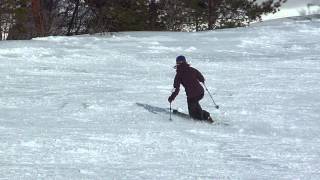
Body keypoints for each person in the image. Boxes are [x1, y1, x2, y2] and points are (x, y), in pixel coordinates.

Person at [168, 55, 213, 123]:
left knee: (193, 113)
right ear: (185, 62)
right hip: (200, 92)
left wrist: (171, 97)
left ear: (177, 63)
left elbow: (176, 88)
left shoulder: (178, 75)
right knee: (195, 105)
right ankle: (203, 115)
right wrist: (201, 80)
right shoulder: (192, 69)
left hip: (192, 96)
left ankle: (204, 116)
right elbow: (201, 77)